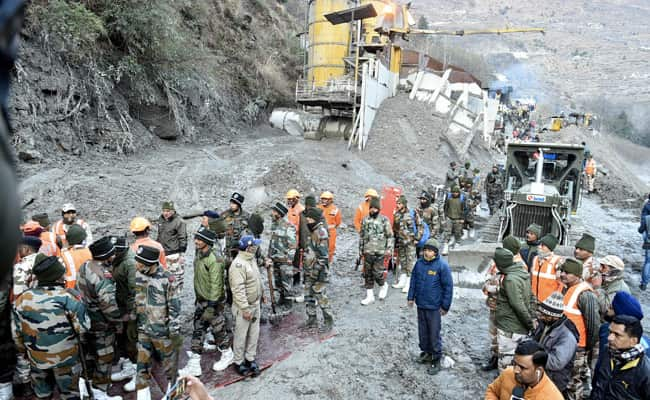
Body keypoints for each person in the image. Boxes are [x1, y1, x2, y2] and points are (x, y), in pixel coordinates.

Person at [12, 254, 90, 400]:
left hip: (36, 358)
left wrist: (25, 353)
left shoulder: (22, 300)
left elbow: (16, 335)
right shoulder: (68, 298)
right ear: (58, 277)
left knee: (42, 394)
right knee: (70, 394)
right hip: (66, 359)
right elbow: (83, 328)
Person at [179, 227, 232, 377]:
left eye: (199, 239)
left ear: (207, 242)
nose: (196, 241)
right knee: (198, 329)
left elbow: (217, 284)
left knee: (218, 331)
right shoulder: (200, 253)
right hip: (202, 300)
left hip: (212, 302)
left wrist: (211, 306)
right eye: (196, 238)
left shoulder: (214, 259)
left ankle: (227, 354)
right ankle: (195, 362)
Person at [133, 245, 181, 400]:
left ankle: (173, 394)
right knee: (142, 365)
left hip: (162, 332)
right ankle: (143, 395)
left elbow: (175, 306)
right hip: (143, 329)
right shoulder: (138, 275)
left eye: (141, 263)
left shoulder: (167, 279)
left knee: (170, 367)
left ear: (151, 263)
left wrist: (174, 330)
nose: (137, 265)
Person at [76, 237, 122, 397]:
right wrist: (119, 323)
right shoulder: (103, 276)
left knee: (88, 355)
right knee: (104, 357)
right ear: (107, 255)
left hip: (85, 320)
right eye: (112, 253)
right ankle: (100, 392)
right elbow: (108, 306)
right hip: (101, 324)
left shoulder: (84, 266)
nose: (114, 256)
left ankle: (85, 387)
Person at [407, 239, 452, 375]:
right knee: (423, 331)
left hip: (434, 307)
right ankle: (426, 353)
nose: (427, 253)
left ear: (436, 252)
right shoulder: (419, 264)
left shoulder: (442, 266)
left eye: (431, 250)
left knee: (434, 333)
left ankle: (436, 357)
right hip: (421, 304)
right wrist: (410, 297)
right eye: (426, 250)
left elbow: (448, 287)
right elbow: (413, 281)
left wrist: (445, 306)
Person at [559, 258, 600, 400]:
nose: (563, 274)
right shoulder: (565, 287)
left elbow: (593, 326)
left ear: (577, 275)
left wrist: (586, 347)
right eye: (562, 271)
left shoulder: (586, 295)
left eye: (567, 272)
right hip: (564, 343)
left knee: (573, 382)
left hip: (578, 347)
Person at [481, 235, 523, 371]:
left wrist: (491, 287)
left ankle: (503, 362)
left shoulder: (520, 266)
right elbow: (489, 276)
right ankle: (494, 357)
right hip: (494, 305)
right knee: (493, 333)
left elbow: (511, 288)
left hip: (506, 308)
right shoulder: (499, 260)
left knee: (504, 337)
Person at [494, 248, 535, 371]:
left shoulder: (510, 279)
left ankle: (506, 389)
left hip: (510, 328)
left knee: (506, 366)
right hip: (518, 328)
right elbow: (531, 297)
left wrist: (530, 324)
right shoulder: (521, 273)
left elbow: (518, 305)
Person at [591, 315, 650, 399]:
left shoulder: (645, 372)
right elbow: (596, 384)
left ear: (633, 341)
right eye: (610, 332)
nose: (609, 338)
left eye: (617, 335)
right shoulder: (607, 352)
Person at [532, 291, 579, 396]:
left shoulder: (567, 336)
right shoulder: (545, 323)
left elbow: (557, 362)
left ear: (555, 316)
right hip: (541, 375)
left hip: (554, 381)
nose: (541, 317)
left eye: (545, 315)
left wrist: (532, 356)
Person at [229, 235, 264, 376]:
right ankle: (238, 361)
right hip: (245, 307)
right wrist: (244, 308)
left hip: (256, 304)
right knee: (241, 335)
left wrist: (263, 293)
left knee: (254, 333)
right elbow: (238, 289)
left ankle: (250, 358)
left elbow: (257, 278)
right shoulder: (238, 265)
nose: (256, 247)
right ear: (248, 247)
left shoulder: (251, 259)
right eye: (254, 245)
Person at [485, 340, 564, 400]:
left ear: (539, 370)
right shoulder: (508, 373)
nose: (515, 370)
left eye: (522, 368)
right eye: (514, 364)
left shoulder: (553, 397)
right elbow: (492, 391)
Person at [108, 236, 137, 389]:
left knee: (132, 339)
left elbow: (135, 291)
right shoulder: (118, 260)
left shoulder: (130, 264)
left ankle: (139, 373)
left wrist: (131, 313)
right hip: (121, 305)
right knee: (122, 339)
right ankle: (128, 365)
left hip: (130, 308)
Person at [302, 207, 333, 332]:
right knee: (308, 295)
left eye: (309, 219)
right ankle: (311, 319)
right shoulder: (313, 231)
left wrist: (315, 272)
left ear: (314, 219)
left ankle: (328, 321)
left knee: (321, 296)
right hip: (310, 271)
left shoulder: (321, 233)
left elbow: (324, 256)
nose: (307, 221)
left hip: (318, 272)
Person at [359, 197, 394, 305]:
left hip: (380, 252)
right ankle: (370, 296)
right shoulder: (365, 220)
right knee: (367, 274)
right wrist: (360, 250)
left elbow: (390, 236)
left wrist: (389, 249)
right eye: (371, 208)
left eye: (375, 208)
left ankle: (383, 285)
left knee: (378, 273)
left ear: (379, 209)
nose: (372, 210)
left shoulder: (384, 220)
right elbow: (362, 236)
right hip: (368, 251)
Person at [266, 202, 297, 307]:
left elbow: (292, 245)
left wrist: (289, 259)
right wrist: (269, 256)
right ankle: (281, 298)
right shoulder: (274, 225)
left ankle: (288, 302)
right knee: (278, 281)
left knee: (286, 282)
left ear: (279, 213)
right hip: (275, 259)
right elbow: (272, 242)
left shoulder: (289, 226)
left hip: (285, 261)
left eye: (274, 211)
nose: (272, 213)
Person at [156, 201, 188, 292]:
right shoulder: (161, 220)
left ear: (173, 211)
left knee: (176, 279)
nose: (165, 213)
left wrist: (181, 255)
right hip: (162, 254)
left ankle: (176, 298)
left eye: (168, 211)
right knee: (163, 278)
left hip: (174, 255)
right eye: (164, 211)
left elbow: (183, 238)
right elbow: (159, 235)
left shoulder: (179, 222)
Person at [392, 195, 419, 292]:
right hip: (401, 242)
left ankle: (409, 284)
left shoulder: (412, 213)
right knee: (403, 262)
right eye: (397, 203)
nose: (397, 205)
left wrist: (417, 238)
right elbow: (395, 228)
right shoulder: (397, 214)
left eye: (399, 203)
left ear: (404, 204)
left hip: (410, 242)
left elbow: (420, 226)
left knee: (410, 263)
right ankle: (402, 281)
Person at [530, 234, 562, 303]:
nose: (539, 247)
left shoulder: (557, 261)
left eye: (542, 245)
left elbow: (561, 283)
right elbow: (531, 279)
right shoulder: (535, 259)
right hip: (533, 300)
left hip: (548, 303)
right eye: (539, 244)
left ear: (549, 248)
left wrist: (555, 301)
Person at [59, 224, 92, 289]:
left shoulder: (64, 256)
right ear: (84, 239)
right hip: (90, 294)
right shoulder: (92, 252)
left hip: (71, 294)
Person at [317, 191, 341, 263]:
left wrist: (331, 228)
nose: (324, 201)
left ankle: (328, 263)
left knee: (330, 248)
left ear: (330, 200)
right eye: (323, 199)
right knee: (318, 246)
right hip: (319, 231)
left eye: (326, 199)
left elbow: (338, 222)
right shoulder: (317, 208)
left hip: (331, 232)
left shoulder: (335, 210)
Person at [639, 201, 650, 291]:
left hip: (648, 239)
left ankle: (644, 283)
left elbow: (641, 229)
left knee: (648, 261)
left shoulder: (646, 206)